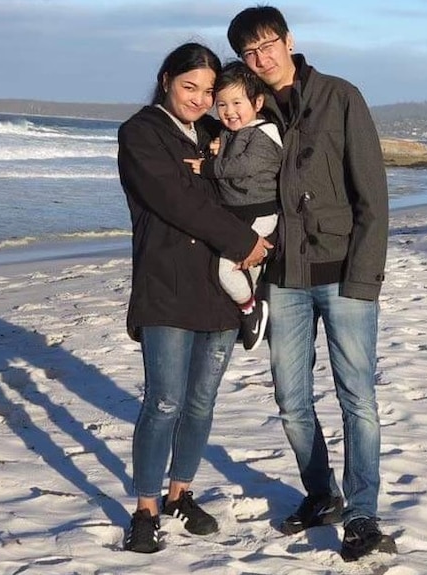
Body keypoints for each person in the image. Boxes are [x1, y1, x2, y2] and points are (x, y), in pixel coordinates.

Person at [228, 6, 395, 562]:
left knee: (358, 400)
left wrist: (365, 278)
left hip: (344, 275)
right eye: (249, 53)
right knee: (291, 400)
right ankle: (323, 495)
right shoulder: (248, 110)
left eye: (267, 45)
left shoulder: (340, 96)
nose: (261, 58)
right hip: (284, 280)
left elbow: (372, 194)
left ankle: (363, 514)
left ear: (287, 40)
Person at [117, 42, 273, 554]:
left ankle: (180, 492)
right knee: (163, 401)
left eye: (208, 91)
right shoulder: (140, 134)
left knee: (201, 402)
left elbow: (250, 181)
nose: (201, 100)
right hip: (165, 285)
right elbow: (176, 200)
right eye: (191, 87)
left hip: (221, 291)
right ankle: (146, 508)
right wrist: (244, 242)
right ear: (166, 80)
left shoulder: (214, 134)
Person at [184, 60, 283, 352]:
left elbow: (245, 166)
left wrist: (210, 167)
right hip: (239, 212)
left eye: (237, 103)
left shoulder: (265, 133)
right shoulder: (231, 132)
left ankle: (251, 309)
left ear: (258, 102)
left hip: (259, 212)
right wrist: (218, 145)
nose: (229, 112)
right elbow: (230, 152)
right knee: (244, 268)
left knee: (226, 270)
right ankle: (251, 309)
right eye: (222, 105)